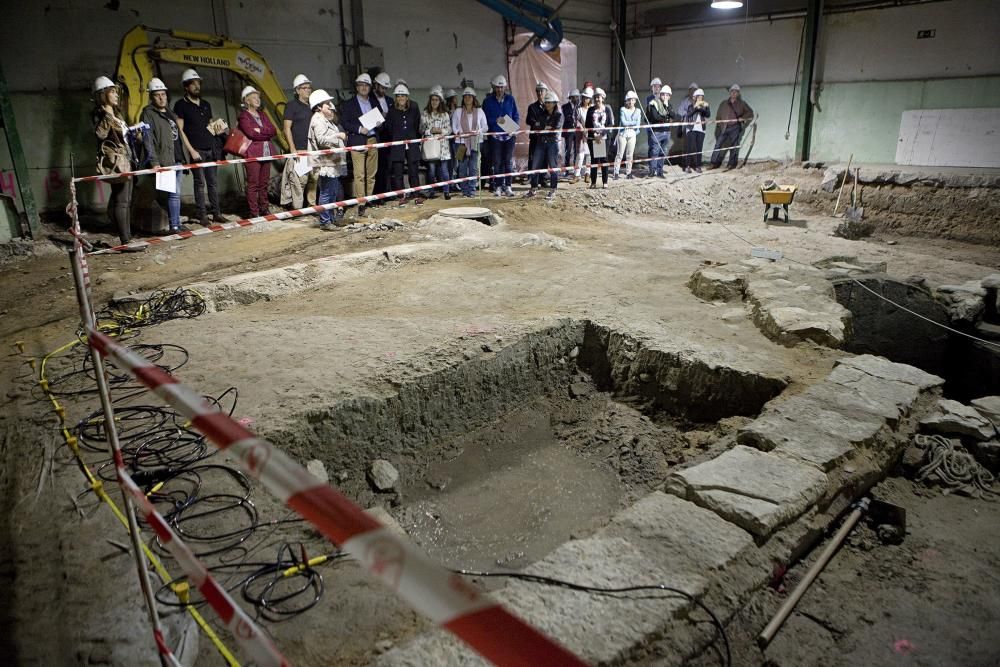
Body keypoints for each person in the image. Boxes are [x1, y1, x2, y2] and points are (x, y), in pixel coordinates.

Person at [172, 69, 223, 226]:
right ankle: (202, 215)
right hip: (197, 150)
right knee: (199, 184)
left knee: (213, 184)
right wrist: (191, 150)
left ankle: (217, 214)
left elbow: (210, 126)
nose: (197, 86)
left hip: (210, 149)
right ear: (186, 87)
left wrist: (219, 129)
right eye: (193, 83)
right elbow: (180, 131)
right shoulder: (180, 105)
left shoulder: (206, 105)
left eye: (198, 83)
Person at [91, 75, 134, 243]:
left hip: (126, 158)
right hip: (115, 162)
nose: (117, 95)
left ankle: (128, 237)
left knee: (125, 200)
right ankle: (125, 241)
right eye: (113, 92)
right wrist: (108, 116)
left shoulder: (117, 113)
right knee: (121, 201)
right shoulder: (99, 114)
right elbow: (100, 134)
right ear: (103, 94)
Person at [141, 78, 186, 232]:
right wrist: (154, 161)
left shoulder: (170, 112)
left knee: (176, 194)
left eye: (163, 94)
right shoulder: (148, 113)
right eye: (157, 95)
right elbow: (148, 139)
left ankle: (176, 222)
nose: (161, 98)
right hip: (164, 160)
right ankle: (174, 225)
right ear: (151, 97)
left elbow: (178, 135)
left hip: (177, 158)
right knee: (172, 194)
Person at [339, 73, 382, 215]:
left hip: (372, 140)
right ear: (357, 87)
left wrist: (379, 123)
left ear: (370, 87)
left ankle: (368, 198)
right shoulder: (349, 104)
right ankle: (361, 202)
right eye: (361, 85)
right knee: (359, 174)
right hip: (357, 140)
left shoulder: (374, 102)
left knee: (371, 173)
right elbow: (345, 122)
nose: (364, 87)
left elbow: (381, 118)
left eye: (366, 85)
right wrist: (358, 129)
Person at [307, 89, 347, 229]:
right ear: (318, 106)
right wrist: (338, 136)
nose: (330, 106)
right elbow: (322, 140)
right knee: (326, 192)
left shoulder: (324, 119)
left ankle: (330, 218)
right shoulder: (318, 120)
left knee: (332, 191)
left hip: (331, 160)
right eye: (326, 103)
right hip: (325, 162)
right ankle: (325, 221)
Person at [237, 86, 277, 218]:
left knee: (264, 184)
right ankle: (254, 212)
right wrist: (264, 132)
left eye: (258, 97)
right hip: (253, 154)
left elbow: (273, 130)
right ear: (246, 101)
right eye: (253, 97)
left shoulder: (263, 114)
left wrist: (261, 131)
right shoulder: (244, 116)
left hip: (266, 152)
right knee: (253, 184)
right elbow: (251, 133)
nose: (257, 99)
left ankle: (264, 209)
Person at [281, 73, 317, 209]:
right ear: (297, 90)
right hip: (300, 149)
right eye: (304, 88)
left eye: (309, 87)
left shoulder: (313, 106)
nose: (308, 90)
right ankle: (298, 210)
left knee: (313, 180)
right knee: (300, 181)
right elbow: (286, 128)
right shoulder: (291, 106)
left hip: (313, 149)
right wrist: (292, 148)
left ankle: (312, 206)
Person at [386, 83, 424, 205]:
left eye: (403, 96)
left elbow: (417, 124)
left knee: (414, 171)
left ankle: (416, 194)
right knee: (398, 172)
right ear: (396, 97)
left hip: (412, 144)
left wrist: (414, 139)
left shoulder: (414, 107)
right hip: (398, 144)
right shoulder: (392, 110)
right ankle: (401, 196)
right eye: (398, 96)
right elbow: (389, 128)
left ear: (407, 97)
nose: (401, 98)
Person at [482, 74, 519, 197]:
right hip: (495, 137)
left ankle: (508, 186)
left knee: (508, 162)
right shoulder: (487, 102)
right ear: (493, 87)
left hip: (509, 136)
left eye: (502, 87)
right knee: (497, 162)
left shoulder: (510, 99)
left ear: (505, 87)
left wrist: (514, 128)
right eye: (497, 87)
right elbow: (485, 118)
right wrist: (496, 121)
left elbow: (516, 115)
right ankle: (498, 186)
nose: (499, 90)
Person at [525, 91, 562, 201]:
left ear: (555, 103)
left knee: (553, 167)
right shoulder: (542, 114)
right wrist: (545, 127)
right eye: (546, 102)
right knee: (535, 165)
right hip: (540, 143)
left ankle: (553, 190)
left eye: (549, 102)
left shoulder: (559, 115)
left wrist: (543, 127)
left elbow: (556, 127)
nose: (547, 104)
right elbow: (537, 126)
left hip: (552, 143)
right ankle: (533, 189)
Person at [451, 87, 487, 198]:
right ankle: (464, 190)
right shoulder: (458, 111)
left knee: (473, 167)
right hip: (460, 143)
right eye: (465, 96)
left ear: (473, 98)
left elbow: (485, 126)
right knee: (461, 167)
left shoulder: (480, 111)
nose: (467, 98)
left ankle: (471, 190)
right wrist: (458, 132)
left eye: (470, 96)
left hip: (476, 142)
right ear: (463, 98)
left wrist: (478, 131)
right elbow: (454, 126)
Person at [711, 84, 754, 170]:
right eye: (732, 91)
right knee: (718, 144)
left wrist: (743, 118)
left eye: (736, 92)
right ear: (730, 93)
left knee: (733, 146)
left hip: (735, 127)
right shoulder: (724, 103)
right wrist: (720, 124)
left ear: (738, 94)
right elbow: (718, 116)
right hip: (724, 127)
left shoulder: (742, 104)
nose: (733, 93)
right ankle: (713, 163)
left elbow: (750, 112)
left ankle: (731, 164)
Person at [421, 85, 453, 200]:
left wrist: (441, 131)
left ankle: (446, 191)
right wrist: (431, 130)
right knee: (432, 171)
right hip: (431, 146)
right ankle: (431, 191)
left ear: (440, 101)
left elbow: (449, 129)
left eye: (436, 100)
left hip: (443, 146)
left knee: (445, 170)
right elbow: (421, 129)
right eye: (432, 99)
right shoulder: (425, 113)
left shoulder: (445, 114)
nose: (434, 102)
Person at [585, 87, 613, 189]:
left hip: (604, 138)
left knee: (604, 159)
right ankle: (593, 182)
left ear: (603, 98)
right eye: (595, 97)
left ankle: (605, 182)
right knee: (594, 160)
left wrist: (601, 135)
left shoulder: (607, 109)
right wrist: (595, 135)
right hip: (593, 138)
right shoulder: (590, 110)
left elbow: (610, 124)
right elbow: (587, 124)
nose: (597, 99)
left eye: (599, 97)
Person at [647, 85, 675, 178]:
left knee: (663, 152)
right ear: (660, 95)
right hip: (657, 132)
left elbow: (673, 115)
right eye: (663, 95)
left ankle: (660, 171)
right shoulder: (654, 103)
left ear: (669, 96)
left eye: (667, 95)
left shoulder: (669, 105)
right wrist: (666, 119)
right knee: (654, 151)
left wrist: (667, 108)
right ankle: (652, 171)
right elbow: (655, 117)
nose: (665, 97)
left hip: (666, 132)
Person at [372, 72, 393, 195]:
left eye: (386, 88)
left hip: (388, 137)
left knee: (387, 167)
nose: (384, 90)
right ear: (376, 85)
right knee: (378, 168)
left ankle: (387, 191)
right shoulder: (370, 99)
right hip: (377, 136)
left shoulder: (390, 100)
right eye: (382, 87)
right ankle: (378, 193)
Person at [614, 91, 641, 180]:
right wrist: (632, 123)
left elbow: (638, 125)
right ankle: (616, 173)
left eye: (632, 100)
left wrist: (631, 125)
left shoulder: (638, 111)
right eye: (629, 100)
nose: (630, 102)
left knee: (630, 154)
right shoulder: (623, 109)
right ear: (626, 101)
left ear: (635, 101)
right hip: (623, 133)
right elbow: (624, 123)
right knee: (620, 154)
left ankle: (628, 173)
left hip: (632, 134)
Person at [526, 81, 548, 186]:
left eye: (542, 91)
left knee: (545, 159)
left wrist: (539, 123)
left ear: (546, 92)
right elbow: (530, 121)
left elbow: (551, 120)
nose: (540, 93)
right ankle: (531, 178)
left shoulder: (549, 107)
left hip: (546, 138)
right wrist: (541, 124)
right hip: (535, 138)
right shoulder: (532, 107)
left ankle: (543, 179)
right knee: (533, 158)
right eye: (538, 91)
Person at [684, 88, 711, 173]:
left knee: (699, 148)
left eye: (701, 97)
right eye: (698, 97)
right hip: (691, 128)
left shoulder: (705, 106)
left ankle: (698, 166)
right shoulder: (690, 106)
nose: (700, 98)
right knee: (690, 147)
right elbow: (688, 115)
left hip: (701, 129)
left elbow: (708, 115)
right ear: (694, 97)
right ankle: (687, 166)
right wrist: (696, 108)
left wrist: (703, 108)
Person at [675, 83, 698, 169]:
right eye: (691, 90)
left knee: (696, 146)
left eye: (695, 90)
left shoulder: (700, 102)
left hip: (697, 127)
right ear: (689, 91)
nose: (693, 92)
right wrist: (688, 113)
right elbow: (680, 112)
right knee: (687, 146)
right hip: (687, 127)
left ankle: (695, 164)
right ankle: (686, 164)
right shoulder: (685, 102)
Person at [574, 87, 593, 182]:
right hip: (581, 135)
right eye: (584, 97)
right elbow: (576, 120)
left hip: (591, 135)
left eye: (587, 98)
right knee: (580, 155)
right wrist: (581, 128)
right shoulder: (579, 109)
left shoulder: (593, 109)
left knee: (589, 155)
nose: (586, 99)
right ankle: (577, 175)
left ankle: (587, 173)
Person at [561, 89, 581, 181]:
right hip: (569, 131)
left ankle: (575, 168)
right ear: (571, 98)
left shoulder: (580, 107)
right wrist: (574, 117)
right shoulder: (565, 107)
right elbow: (568, 118)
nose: (576, 99)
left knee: (577, 150)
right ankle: (567, 169)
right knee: (568, 150)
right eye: (574, 97)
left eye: (577, 97)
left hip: (577, 132)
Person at [645, 77, 662, 170]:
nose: (656, 88)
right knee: (651, 146)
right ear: (652, 88)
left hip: (660, 127)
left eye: (658, 86)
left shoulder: (663, 97)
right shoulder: (649, 98)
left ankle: (658, 166)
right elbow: (650, 111)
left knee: (659, 147)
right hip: (651, 126)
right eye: (654, 86)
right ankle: (651, 166)